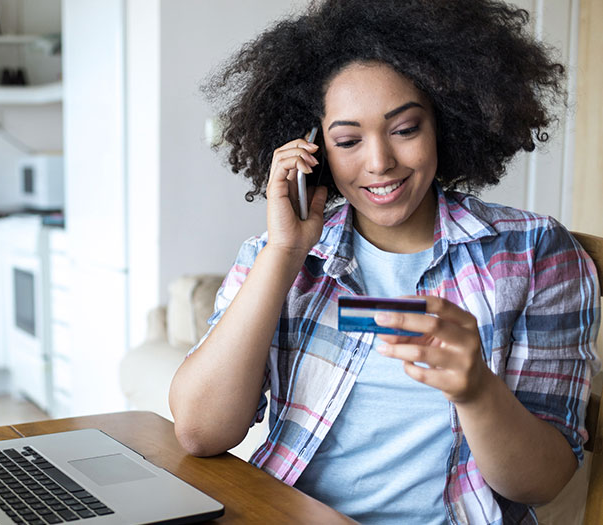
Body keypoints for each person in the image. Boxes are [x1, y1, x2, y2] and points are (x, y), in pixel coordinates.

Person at [167, 0, 601, 523]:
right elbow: (198, 431)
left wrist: (477, 390)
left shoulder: (534, 253)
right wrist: (284, 252)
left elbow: (543, 484)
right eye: (348, 140)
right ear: (315, 148)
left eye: (405, 129)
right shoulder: (277, 256)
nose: (379, 163)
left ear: (445, 121)